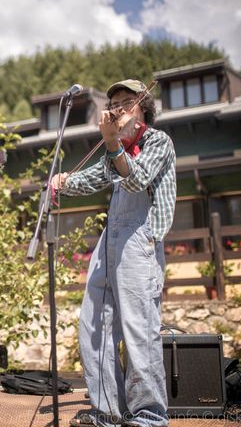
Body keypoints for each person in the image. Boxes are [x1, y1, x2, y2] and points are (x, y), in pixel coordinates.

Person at [52, 80, 176, 427]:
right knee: (94, 326)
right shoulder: (115, 148)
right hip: (111, 239)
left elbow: (136, 181)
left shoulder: (158, 141)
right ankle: (107, 411)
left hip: (141, 241)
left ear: (143, 109)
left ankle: (149, 415)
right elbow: (93, 178)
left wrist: (110, 144)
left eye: (127, 102)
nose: (119, 107)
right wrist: (63, 181)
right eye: (115, 103)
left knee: (139, 330)